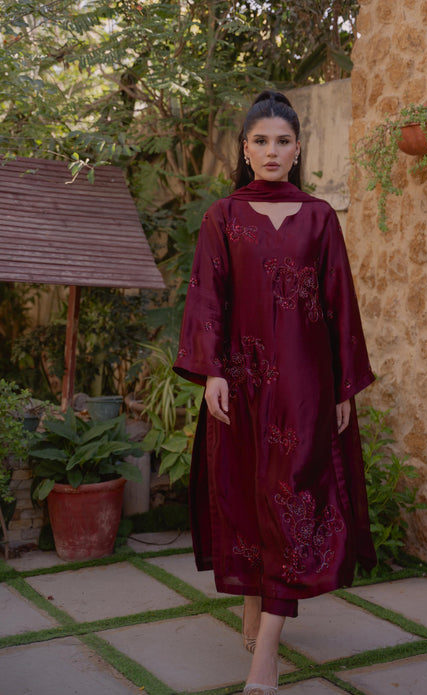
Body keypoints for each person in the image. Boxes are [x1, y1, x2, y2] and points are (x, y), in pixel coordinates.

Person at [174, 91, 376, 694]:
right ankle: (251, 596)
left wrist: (343, 387)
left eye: (282, 141)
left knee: (295, 502)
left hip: (307, 389)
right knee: (246, 496)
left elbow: (340, 304)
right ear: (245, 149)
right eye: (260, 141)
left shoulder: (319, 218)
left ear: (297, 149)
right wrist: (212, 371)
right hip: (241, 386)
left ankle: (266, 653)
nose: (271, 151)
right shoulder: (223, 217)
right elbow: (207, 297)